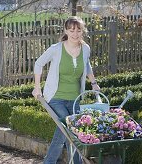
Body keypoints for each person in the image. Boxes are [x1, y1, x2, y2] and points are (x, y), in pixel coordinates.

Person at [32, 16, 100, 164]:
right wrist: (37, 87)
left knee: (74, 132)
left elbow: (86, 64)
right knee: (66, 127)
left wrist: (93, 83)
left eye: (78, 30)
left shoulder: (85, 49)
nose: (75, 34)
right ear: (66, 31)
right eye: (72, 30)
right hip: (56, 98)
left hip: (75, 98)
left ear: (83, 30)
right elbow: (38, 63)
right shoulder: (56, 49)